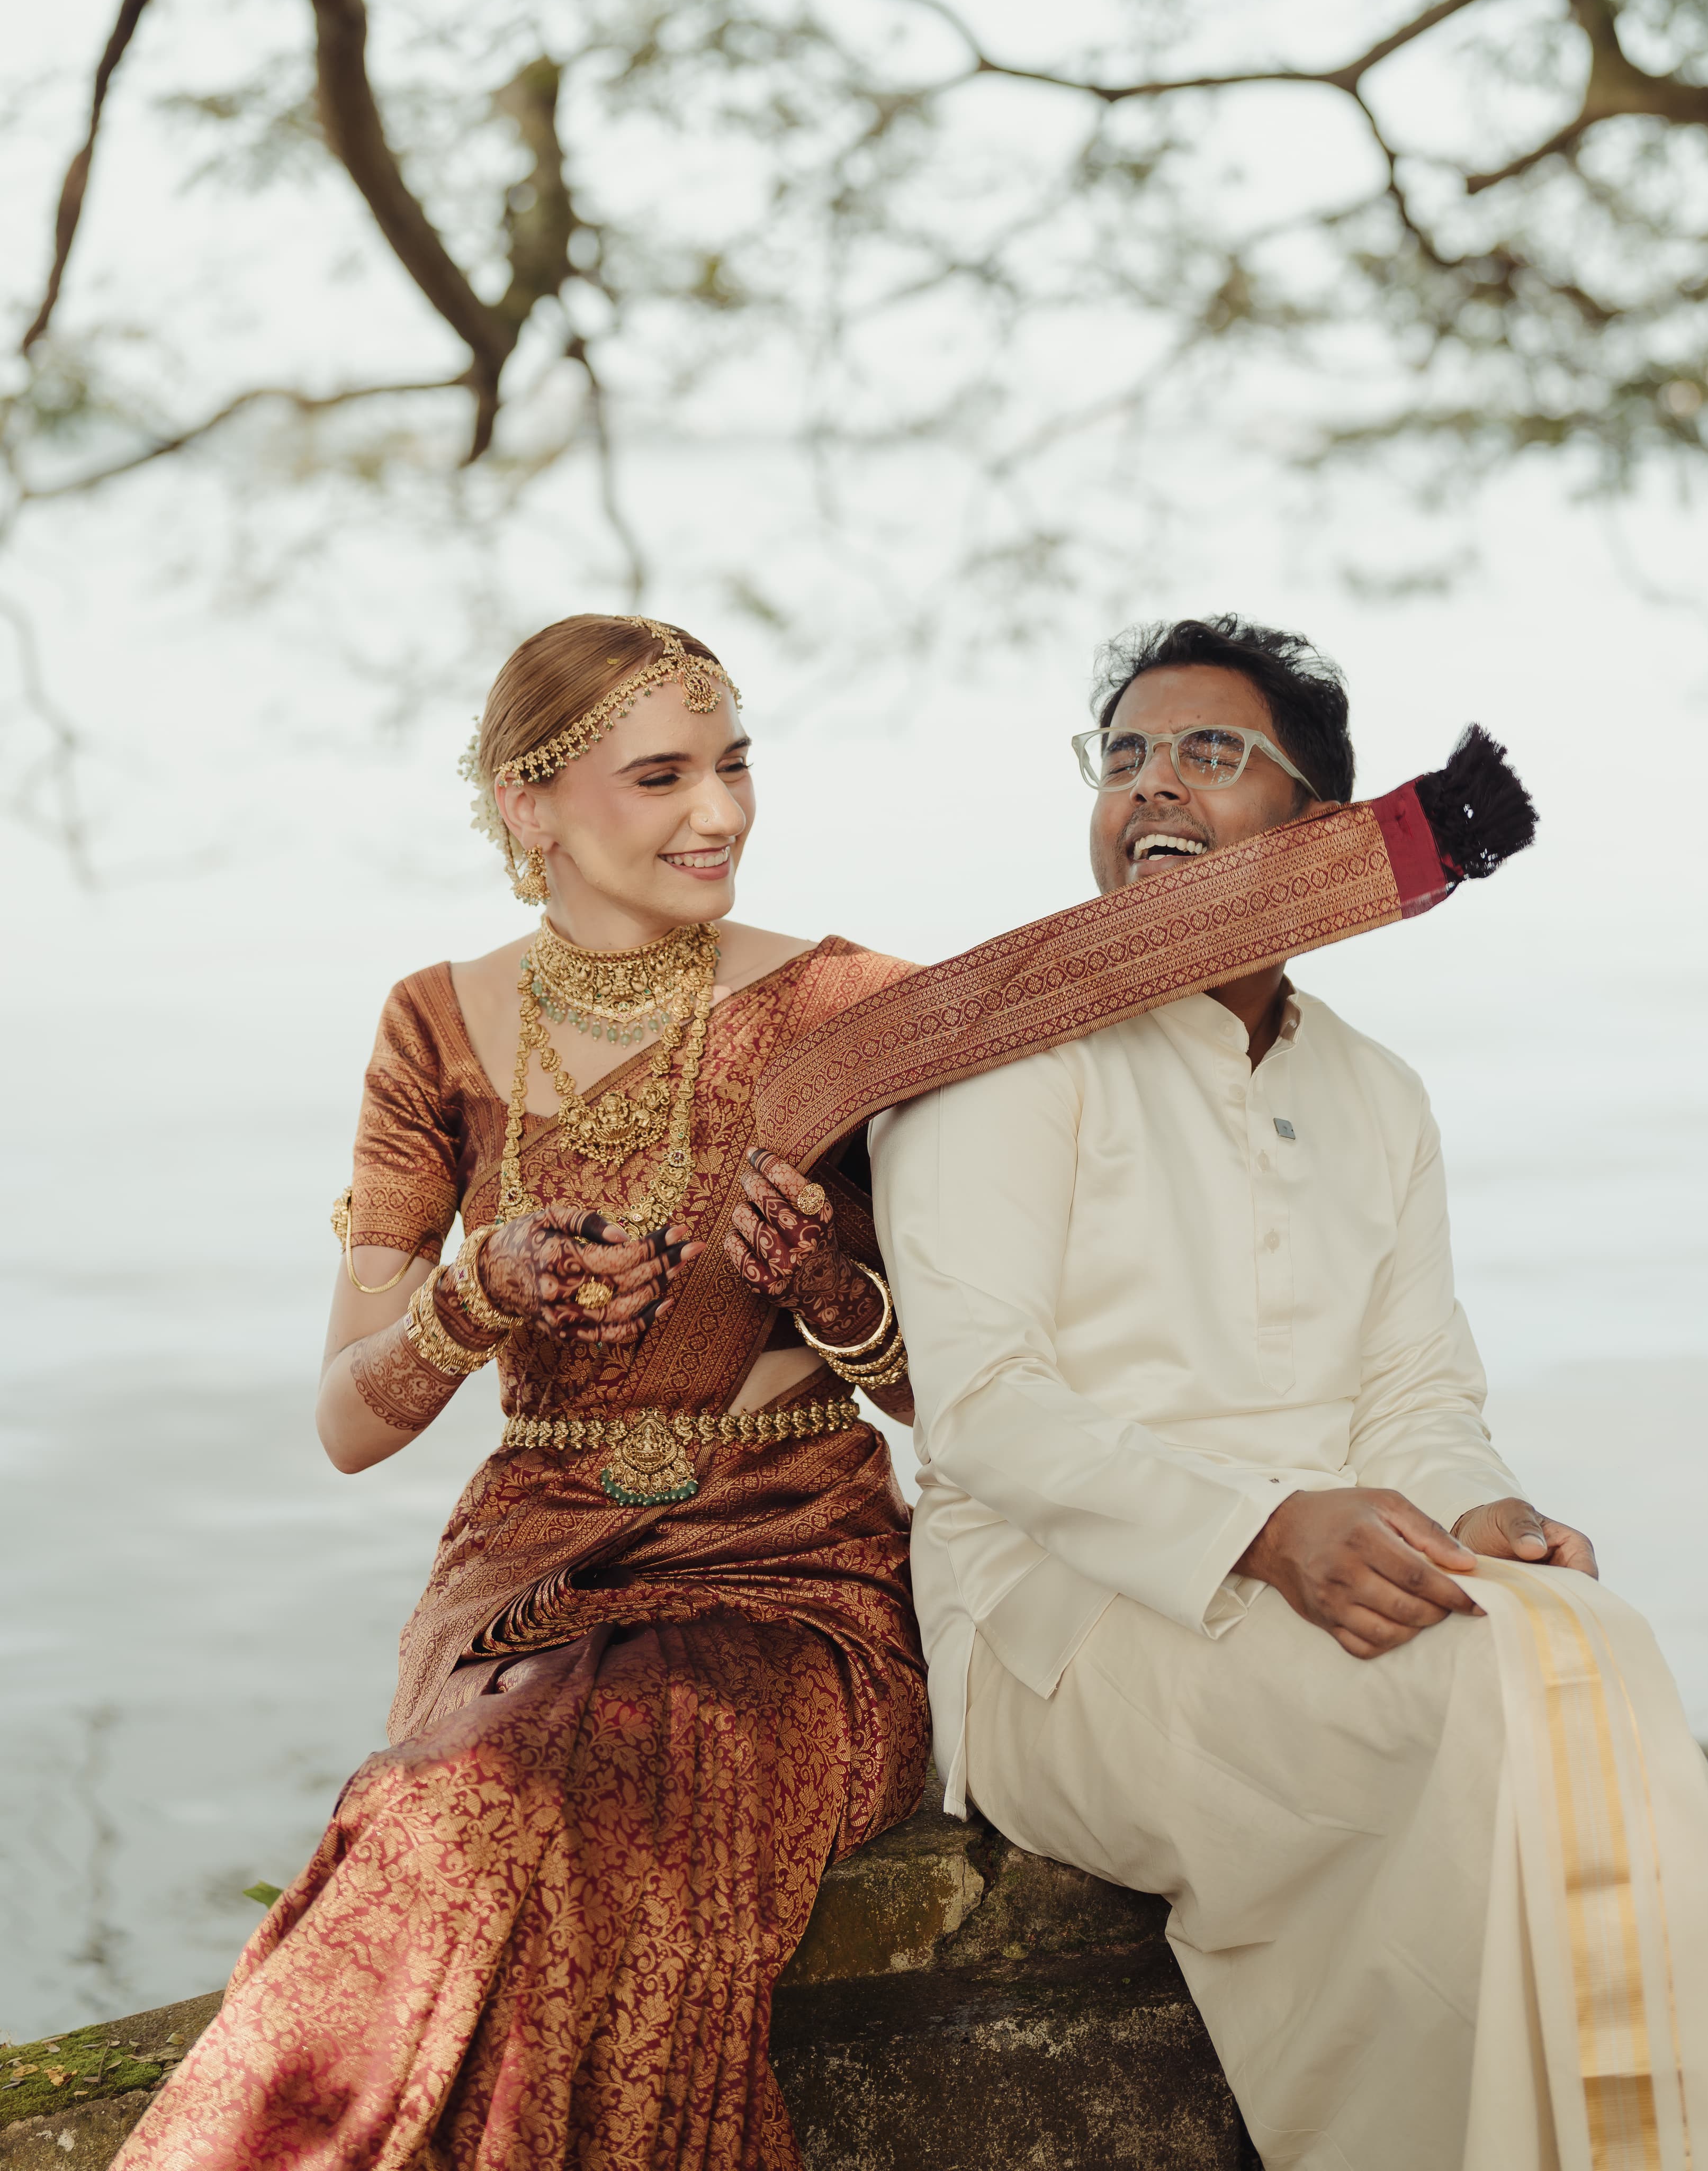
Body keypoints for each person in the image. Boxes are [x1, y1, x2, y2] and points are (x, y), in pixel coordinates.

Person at [121, 610, 1536, 2171]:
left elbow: (969, 1395)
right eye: (659, 778)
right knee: (435, 1809)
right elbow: (348, 1423)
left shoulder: (861, 1008)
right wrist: (483, 1290)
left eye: (735, 766)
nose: (717, 814)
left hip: (796, 1576)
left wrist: (829, 1297)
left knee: (555, 1797)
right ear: (528, 807)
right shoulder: (434, 1026)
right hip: (528, 1576)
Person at [871, 614, 1708, 2171]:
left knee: (1592, 1641)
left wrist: (1484, 1510)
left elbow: (1418, 1387)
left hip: (1336, 1562)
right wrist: (1268, 1530)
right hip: (1061, 1630)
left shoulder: (1376, 1092)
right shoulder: (1003, 1051)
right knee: (1487, 1700)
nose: (1154, 790)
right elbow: (988, 1412)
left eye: (1213, 756)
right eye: (1126, 757)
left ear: (1321, 831)